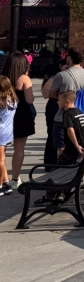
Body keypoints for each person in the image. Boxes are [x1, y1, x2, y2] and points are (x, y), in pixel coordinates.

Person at [0, 53, 35, 191]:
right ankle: (15, 178)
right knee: (19, 149)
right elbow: (30, 99)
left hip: (5, 115)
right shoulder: (24, 78)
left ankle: (4, 178)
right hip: (22, 114)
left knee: (3, 150)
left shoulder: (4, 77)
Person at [0, 76, 16, 195]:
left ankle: (0, 185)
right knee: (2, 158)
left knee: (0, 160)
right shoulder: (12, 99)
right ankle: (6, 182)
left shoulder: (1, 101)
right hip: (8, 131)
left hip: (0, 132)